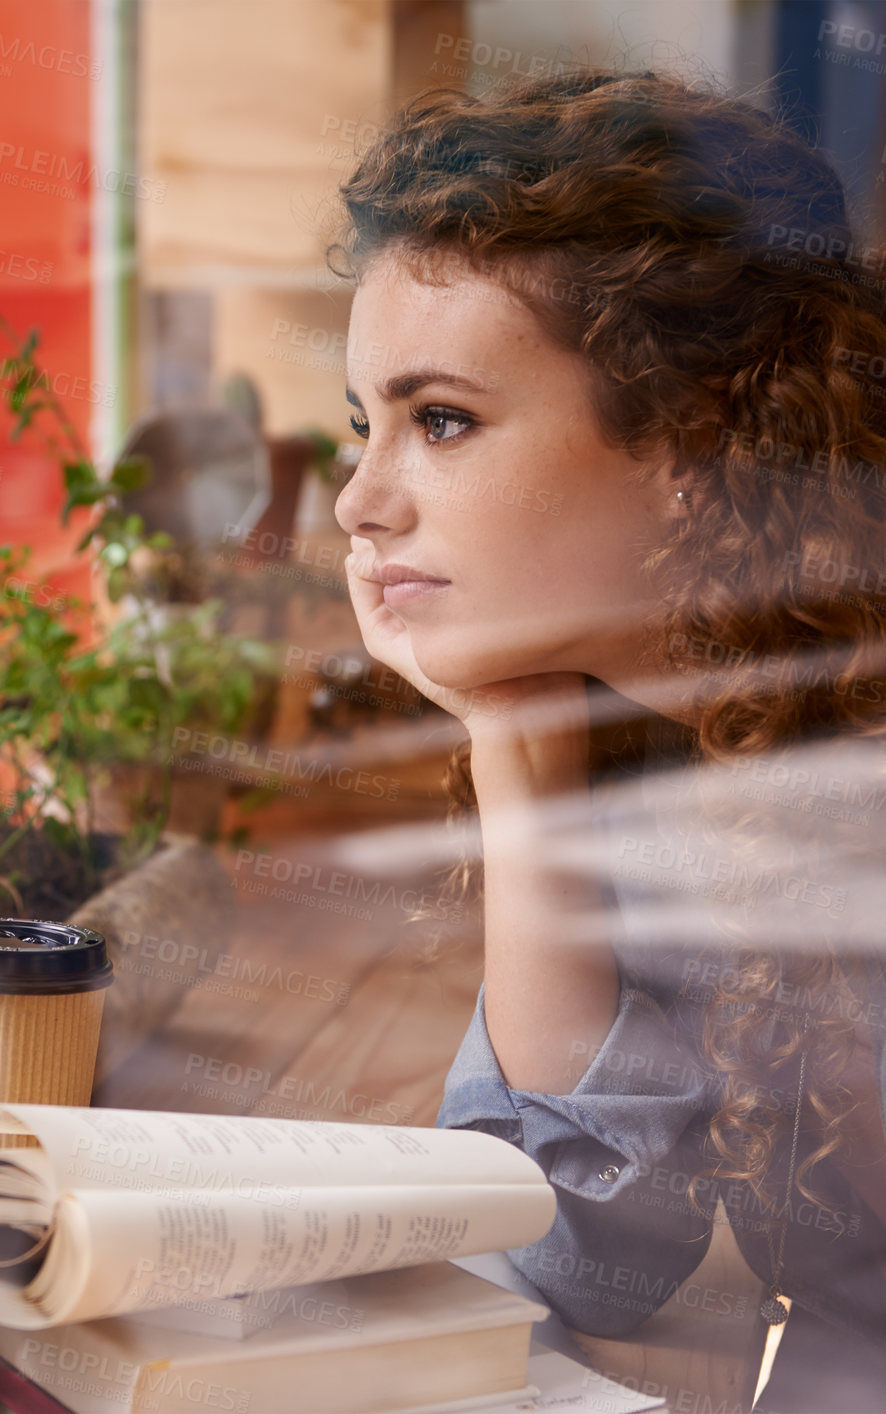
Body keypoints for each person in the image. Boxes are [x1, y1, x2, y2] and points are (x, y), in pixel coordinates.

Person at [331, 71, 886, 1413]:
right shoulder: (664, 753)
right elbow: (582, 1253)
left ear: (690, 438)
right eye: (364, 426)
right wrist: (514, 750)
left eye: (440, 420)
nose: (359, 501)